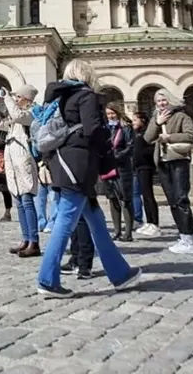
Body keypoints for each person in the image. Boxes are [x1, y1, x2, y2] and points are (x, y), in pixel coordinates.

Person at [36, 59, 143, 298]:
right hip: (79, 164)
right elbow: (93, 129)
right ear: (87, 74)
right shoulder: (87, 96)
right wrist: (107, 144)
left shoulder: (63, 97)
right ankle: (47, 279)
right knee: (65, 221)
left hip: (66, 161)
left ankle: (120, 272)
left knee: (95, 218)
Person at [144, 89, 193, 254]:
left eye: (164, 100)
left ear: (171, 100)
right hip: (162, 162)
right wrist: (157, 123)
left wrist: (170, 137)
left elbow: (191, 135)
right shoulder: (156, 118)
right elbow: (147, 138)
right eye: (158, 101)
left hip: (178, 160)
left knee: (181, 198)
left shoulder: (181, 116)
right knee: (172, 200)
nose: (161, 103)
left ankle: (189, 239)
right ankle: (182, 236)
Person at [0, 85, 41, 256]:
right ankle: (26, 239)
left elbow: (18, 116)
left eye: (18, 97)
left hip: (24, 161)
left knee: (27, 201)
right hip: (13, 162)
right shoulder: (16, 117)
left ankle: (34, 242)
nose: (15, 99)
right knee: (19, 203)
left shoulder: (33, 112)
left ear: (27, 99)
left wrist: (7, 98)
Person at [101, 103, 135, 241]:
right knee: (112, 198)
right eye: (108, 114)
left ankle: (128, 232)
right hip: (108, 167)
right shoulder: (105, 128)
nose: (110, 116)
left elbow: (130, 146)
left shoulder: (126, 128)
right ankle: (117, 231)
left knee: (125, 199)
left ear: (118, 112)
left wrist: (117, 156)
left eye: (112, 113)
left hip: (122, 168)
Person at [129, 110, 160, 236]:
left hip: (146, 166)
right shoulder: (136, 133)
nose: (133, 123)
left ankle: (155, 224)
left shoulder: (147, 133)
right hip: (138, 167)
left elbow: (150, 149)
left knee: (148, 195)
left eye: (135, 120)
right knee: (143, 195)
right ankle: (149, 222)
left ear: (143, 120)